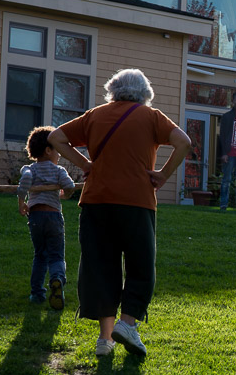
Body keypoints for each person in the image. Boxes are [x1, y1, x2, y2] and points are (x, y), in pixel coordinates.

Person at [48, 69, 191, 357]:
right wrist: (163, 175)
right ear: (144, 93)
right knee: (140, 265)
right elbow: (184, 142)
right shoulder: (151, 117)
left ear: (113, 90)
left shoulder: (94, 115)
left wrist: (86, 164)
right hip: (137, 201)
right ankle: (127, 324)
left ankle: (105, 340)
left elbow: (55, 137)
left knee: (101, 266)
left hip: (96, 202)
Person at [17, 126, 76, 309]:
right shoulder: (58, 171)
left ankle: (36, 294)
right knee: (56, 255)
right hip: (53, 216)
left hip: (35, 217)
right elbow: (70, 185)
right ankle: (57, 279)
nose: (58, 154)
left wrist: (21, 201)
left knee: (40, 255)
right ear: (48, 150)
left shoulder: (29, 169)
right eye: (57, 150)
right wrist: (65, 195)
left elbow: (25, 181)